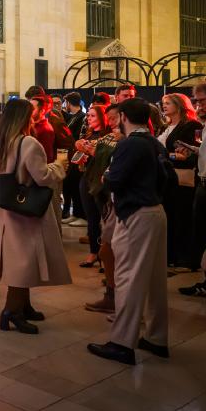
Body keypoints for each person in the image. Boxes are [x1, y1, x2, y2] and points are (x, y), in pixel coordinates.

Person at [88, 98, 170, 365]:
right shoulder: (154, 142)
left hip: (134, 213)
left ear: (123, 116)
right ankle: (156, 338)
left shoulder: (130, 144)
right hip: (154, 210)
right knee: (155, 279)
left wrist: (106, 177)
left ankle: (122, 343)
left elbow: (114, 178)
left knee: (128, 278)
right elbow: (166, 178)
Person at [0, 99, 70, 334]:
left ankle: (24, 305)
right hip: (25, 211)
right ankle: (11, 311)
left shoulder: (0, 141)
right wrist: (60, 165)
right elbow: (42, 177)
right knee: (23, 262)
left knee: (20, 259)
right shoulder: (28, 143)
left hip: (7, 208)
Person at [179, 79, 206, 306]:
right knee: (204, 235)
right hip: (204, 183)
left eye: (202, 100)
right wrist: (193, 150)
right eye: (195, 100)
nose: (199, 105)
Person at [82, 104, 124, 313]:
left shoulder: (131, 141)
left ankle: (119, 297)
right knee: (107, 247)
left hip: (122, 201)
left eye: (115, 118)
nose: (112, 122)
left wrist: (94, 152)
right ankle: (113, 292)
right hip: (110, 196)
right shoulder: (112, 138)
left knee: (111, 249)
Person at [159, 94, 200, 269]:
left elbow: (190, 155)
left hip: (182, 179)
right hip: (168, 178)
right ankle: (172, 255)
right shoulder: (167, 126)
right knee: (171, 217)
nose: (165, 106)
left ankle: (184, 257)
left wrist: (167, 155)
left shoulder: (191, 125)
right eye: (163, 104)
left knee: (181, 217)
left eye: (168, 103)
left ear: (180, 105)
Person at [74, 105, 109, 265]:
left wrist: (93, 152)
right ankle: (94, 252)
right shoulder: (88, 134)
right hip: (87, 177)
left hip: (101, 179)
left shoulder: (109, 136)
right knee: (91, 218)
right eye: (88, 115)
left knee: (105, 217)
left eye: (93, 116)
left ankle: (106, 253)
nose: (88, 118)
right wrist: (80, 153)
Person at [61, 93, 87, 225]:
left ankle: (81, 215)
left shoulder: (82, 117)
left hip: (77, 154)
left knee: (76, 185)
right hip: (71, 154)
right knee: (71, 185)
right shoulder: (74, 117)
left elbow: (75, 136)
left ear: (68, 103)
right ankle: (76, 213)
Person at [29, 96, 56, 163]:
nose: (28, 111)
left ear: (42, 111)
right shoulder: (32, 125)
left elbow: (47, 157)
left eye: (32, 109)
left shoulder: (45, 129)